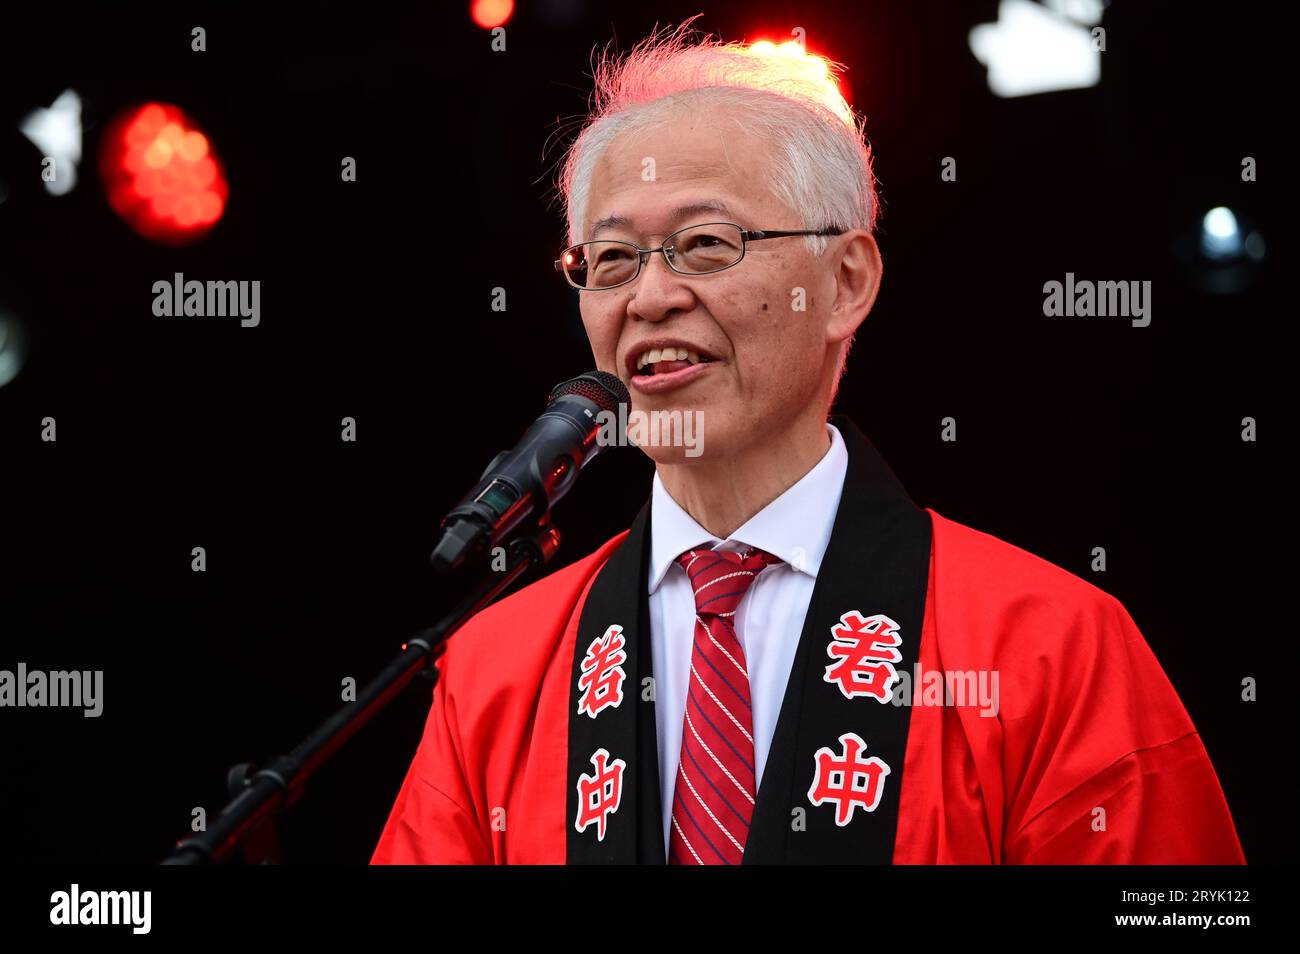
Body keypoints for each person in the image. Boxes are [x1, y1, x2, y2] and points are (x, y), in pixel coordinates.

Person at [371, 23, 1244, 865]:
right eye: (611, 260)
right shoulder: (497, 671)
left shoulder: (1049, 646)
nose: (651, 296)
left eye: (705, 245)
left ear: (845, 282)